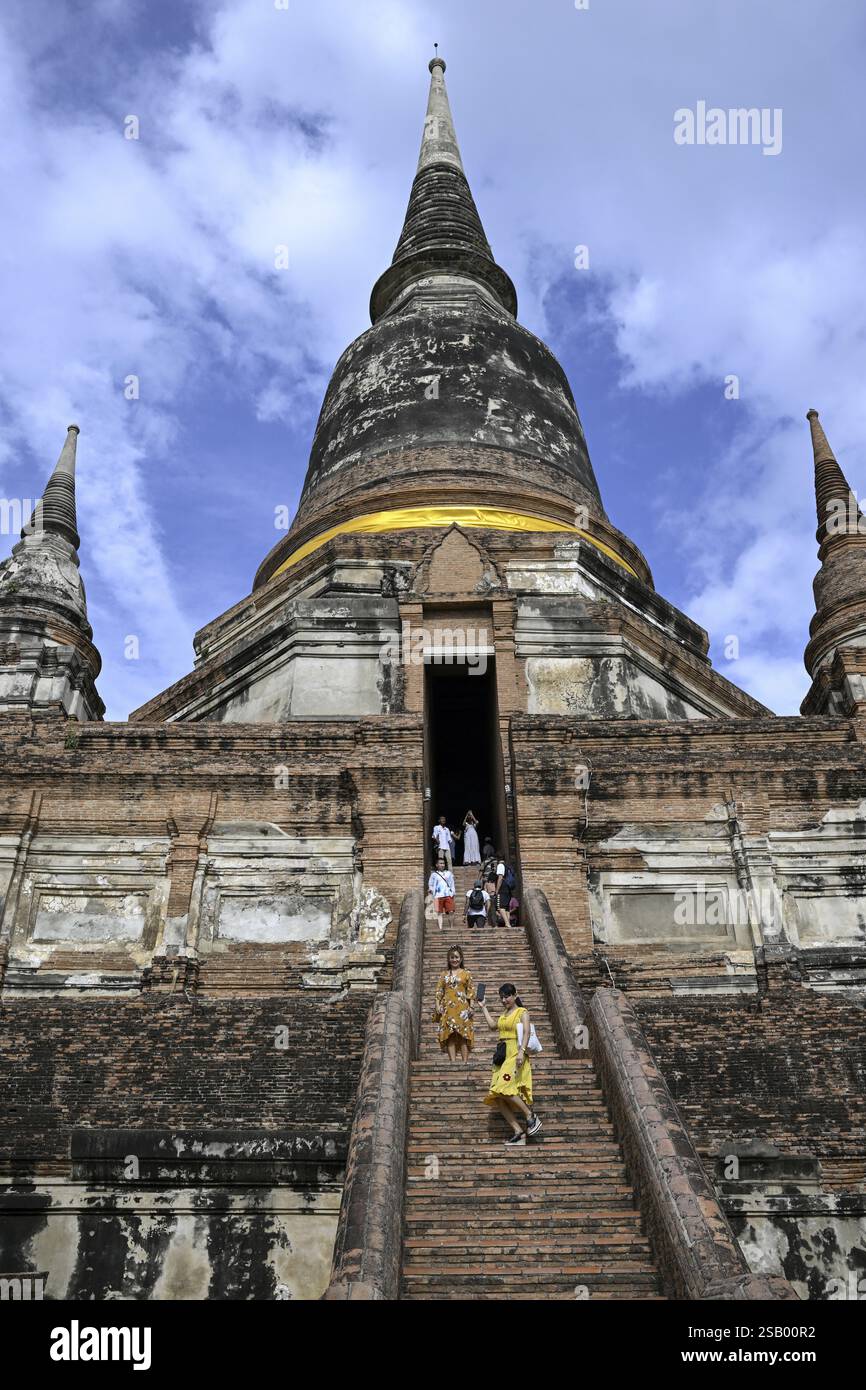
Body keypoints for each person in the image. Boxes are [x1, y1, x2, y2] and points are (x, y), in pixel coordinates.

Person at [480, 983, 542, 1144]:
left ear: (515, 995)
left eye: (507, 996)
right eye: (501, 997)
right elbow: (493, 1026)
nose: (504, 1000)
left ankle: (530, 1115)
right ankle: (518, 1132)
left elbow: (527, 1032)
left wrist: (521, 1051)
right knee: (497, 1097)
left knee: (504, 1087)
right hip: (502, 1056)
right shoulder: (504, 1014)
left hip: (515, 1053)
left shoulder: (522, 1012)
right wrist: (483, 1007)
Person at [433, 945, 475, 1063]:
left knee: (463, 1036)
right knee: (450, 1035)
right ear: (448, 959)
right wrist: (437, 1006)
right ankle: (453, 1063)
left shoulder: (466, 973)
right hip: (447, 1008)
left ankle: (465, 1063)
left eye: (456, 957)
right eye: (452, 957)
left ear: (461, 959)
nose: (454, 960)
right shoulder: (444, 974)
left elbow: (471, 991)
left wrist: (471, 1006)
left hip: (463, 1008)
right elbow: (438, 991)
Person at [428, 857, 455, 930]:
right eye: (440, 863)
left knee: (451, 911)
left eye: (443, 863)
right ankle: (440, 928)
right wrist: (431, 890)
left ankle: (451, 927)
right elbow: (430, 884)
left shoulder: (448, 873)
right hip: (438, 896)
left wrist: (452, 893)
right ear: (437, 865)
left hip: (448, 895)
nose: (442, 865)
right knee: (439, 913)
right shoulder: (434, 874)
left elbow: (452, 884)